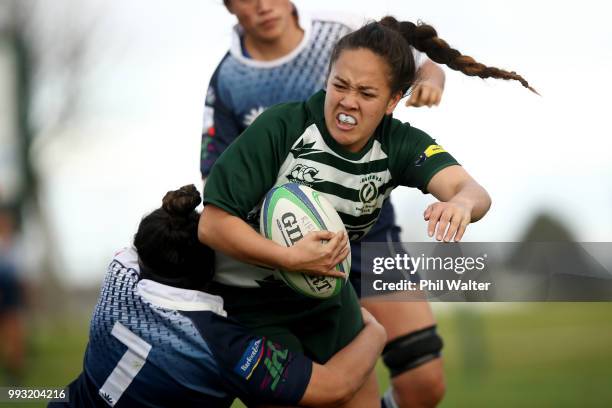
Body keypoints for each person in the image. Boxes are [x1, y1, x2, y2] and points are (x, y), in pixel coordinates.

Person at [199, 15, 535, 407]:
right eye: (339, 86)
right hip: (255, 303)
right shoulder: (281, 127)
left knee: (414, 383)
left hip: (327, 294)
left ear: (393, 101)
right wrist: (288, 257)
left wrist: (460, 204)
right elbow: (212, 225)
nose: (347, 101)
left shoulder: (398, 144)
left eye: (366, 93)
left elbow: (471, 189)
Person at [49, 185, 387, 408]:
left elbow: (156, 237)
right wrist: (375, 331)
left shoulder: (119, 271)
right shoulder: (221, 345)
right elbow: (334, 386)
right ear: (211, 273)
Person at [0, 206, 25, 385]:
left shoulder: (16, 245)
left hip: (10, 290)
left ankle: (14, 369)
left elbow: (21, 273)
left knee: (14, 329)